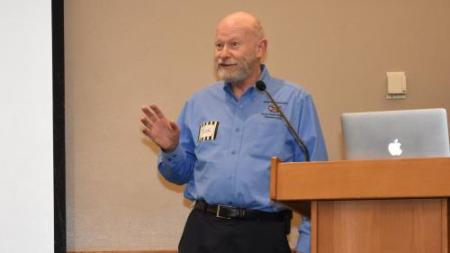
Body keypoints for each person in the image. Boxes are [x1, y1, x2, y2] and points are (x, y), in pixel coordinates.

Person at [141, 11, 328, 253]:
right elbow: (180, 174)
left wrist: (307, 246)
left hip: (262, 234)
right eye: (219, 45)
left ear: (260, 48)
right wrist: (171, 149)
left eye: (234, 44)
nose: (223, 53)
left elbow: (317, 183)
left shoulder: (294, 101)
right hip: (203, 231)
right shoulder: (200, 102)